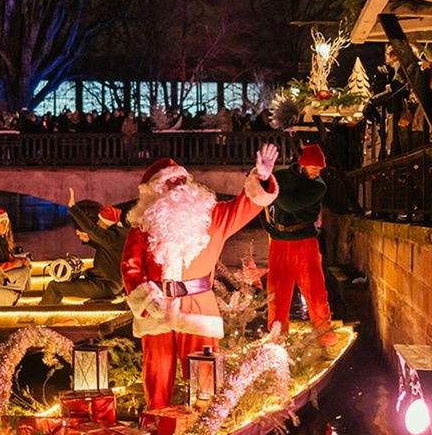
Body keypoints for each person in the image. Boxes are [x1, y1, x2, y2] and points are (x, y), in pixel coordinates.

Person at [122, 147, 279, 410]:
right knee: (156, 376)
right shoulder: (142, 226)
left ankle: (203, 427)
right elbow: (130, 266)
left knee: (204, 378)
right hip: (155, 308)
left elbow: (246, 205)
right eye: (169, 183)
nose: (178, 187)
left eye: (181, 180)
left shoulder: (212, 216)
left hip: (197, 307)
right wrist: (146, 298)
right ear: (154, 191)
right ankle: (156, 425)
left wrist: (261, 177)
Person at [265, 144, 335, 344]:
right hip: (279, 241)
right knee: (276, 293)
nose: (317, 172)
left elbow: (290, 204)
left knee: (315, 292)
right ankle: (277, 338)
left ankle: (325, 338)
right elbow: (264, 203)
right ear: (303, 164)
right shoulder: (281, 177)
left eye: (320, 169)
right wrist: (269, 228)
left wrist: (272, 188)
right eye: (314, 167)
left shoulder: (318, 186)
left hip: (304, 242)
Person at [43, 197, 127, 304]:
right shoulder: (119, 234)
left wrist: (73, 208)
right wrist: (89, 240)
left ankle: (40, 318)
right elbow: (108, 249)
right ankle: (52, 315)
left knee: (55, 287)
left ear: (106, 223)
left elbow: (90, 229)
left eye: (99, 221)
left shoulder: (111, 237)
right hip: (113, 284)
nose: (97, 223)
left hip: (104, 286)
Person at [0, 209, 32, 294]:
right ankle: (24, 295)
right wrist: (14, 264)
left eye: (6, 224)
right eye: (2, 223)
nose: (5, 226)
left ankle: (24, 294)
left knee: (26, 267)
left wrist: (23, 260)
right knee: (24, 271)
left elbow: (8, 258)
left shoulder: (2, 241)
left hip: (3, 273)